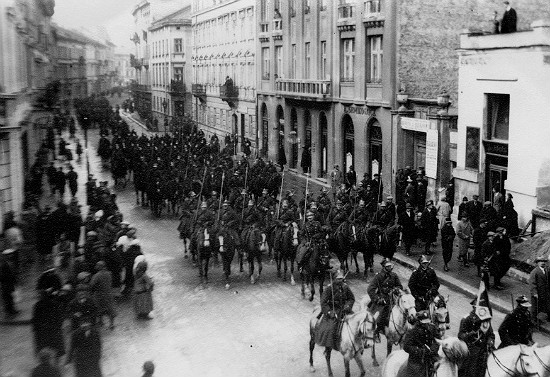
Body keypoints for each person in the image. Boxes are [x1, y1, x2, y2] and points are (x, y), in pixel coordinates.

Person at [315, 269, 355, 351]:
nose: (340, 280)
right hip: (334, 310)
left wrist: (348, 306)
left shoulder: (345, 287)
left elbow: (351, 298)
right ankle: (330, 345)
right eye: (338, 278)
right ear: (334, 279)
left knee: (356, 322)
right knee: (331, 328)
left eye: (341, 278)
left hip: (344, 310)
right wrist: (329, 312)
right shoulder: (329, 288)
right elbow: (323, 302)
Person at [368, 259, 403, 341]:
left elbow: (399, 286)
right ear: (383, 267)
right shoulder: (378, 276)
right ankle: (376, 332)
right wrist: (377, 299)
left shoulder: (394, 275)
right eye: (387, 266)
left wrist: (396, 289)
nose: (389, 267)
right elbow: (370, 289)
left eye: (390, 266)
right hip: (382, 299)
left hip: (393, 299)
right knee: (380, 316)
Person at [458, 299, 495, 377]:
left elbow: (491, 334)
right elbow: (461, 335)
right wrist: (470, 334)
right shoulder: (467, 319)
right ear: (474, 307)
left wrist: (490, 342)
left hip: (483, 351)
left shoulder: (485, 320)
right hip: (471, 350)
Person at [402, 310, 440, 377]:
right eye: (424, 322)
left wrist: (433, 349)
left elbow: (437, 340)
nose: (426, 324)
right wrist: (420, 351)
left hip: (432, 356)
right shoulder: (412, 331)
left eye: (427, 322)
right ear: (419, 321)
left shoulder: (432, 328)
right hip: (417, 359)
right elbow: (406, 346)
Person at [32, 289, 65, 359]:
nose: (40, 297)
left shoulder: (38, 305)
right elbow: (35, 319)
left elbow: (59, 317)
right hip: (48, 331)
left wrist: (36, 329)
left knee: (50, 348)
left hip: (47, 331)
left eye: (41, 296)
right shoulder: (38, 305)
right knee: (53, 349)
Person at [89, 261, 116, 329]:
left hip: (99, 294)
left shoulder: (97, 275)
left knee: (99, 308)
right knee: (110, 309)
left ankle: (101, 321)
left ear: (100, 267)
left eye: (97, 265)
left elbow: (92, 285)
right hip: (108, 293)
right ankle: (111, 324)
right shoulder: (109, 273)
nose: (96, 267)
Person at [529, 255, 550, 324]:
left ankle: (547, 318)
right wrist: (534, 293)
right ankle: (533, 320)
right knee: (535, 307)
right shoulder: (535, 272)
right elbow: (532, 283)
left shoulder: (546, 270)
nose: (542, 263)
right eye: (541, 261)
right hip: (537, 293)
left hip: (545, 292)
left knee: (546, 305)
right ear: (537, 263)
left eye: (544, 261)